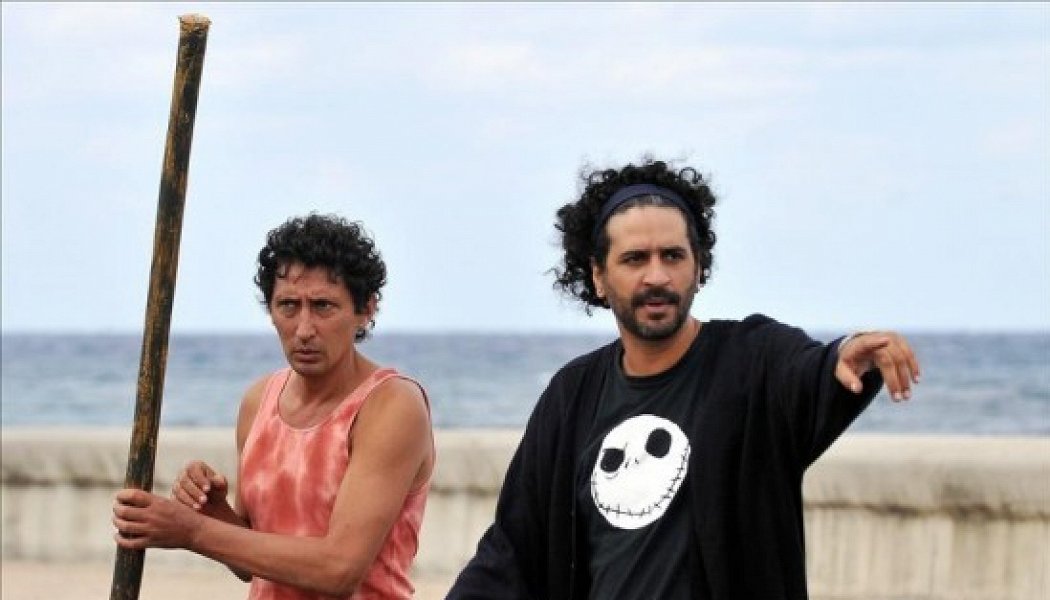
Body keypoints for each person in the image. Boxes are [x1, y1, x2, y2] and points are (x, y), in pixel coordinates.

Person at [446, 158, 920, 599]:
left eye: (673, 256)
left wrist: (845, 355)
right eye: (635, 259)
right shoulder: (572, 395)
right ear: (598, 276)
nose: (657, 276)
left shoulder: (753, 360)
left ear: (699, 266)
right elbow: (514, 548)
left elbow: (809, 375)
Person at [113, 213, 436, 599]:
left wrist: (193, 531)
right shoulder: (259, 402)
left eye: (323, 306)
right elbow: (248, 562)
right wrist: (213, 511)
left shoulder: (390, 405)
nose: (304, 329)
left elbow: (339, 568)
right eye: (288, 306)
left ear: (365, 309)